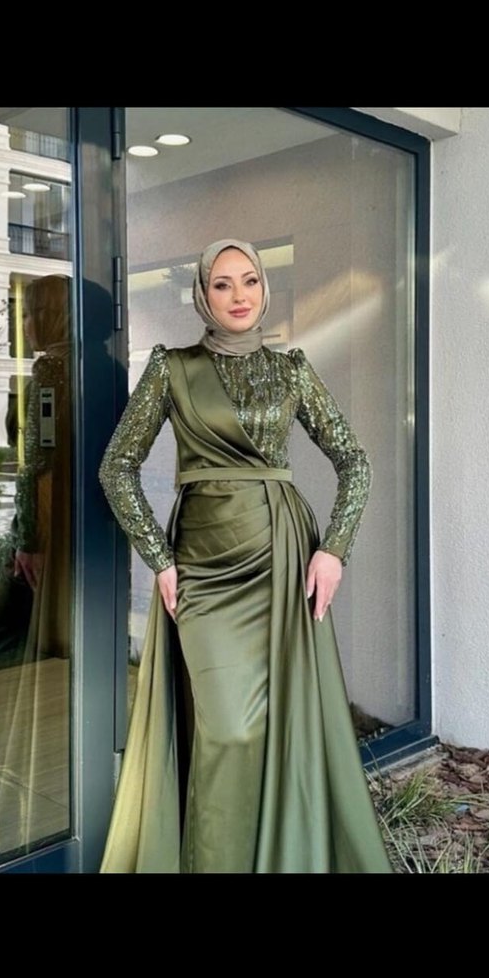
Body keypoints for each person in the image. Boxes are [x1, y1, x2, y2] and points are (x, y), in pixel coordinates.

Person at [98, 239, 393, 874]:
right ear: (203, 294)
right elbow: (116, 467)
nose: (239, 296)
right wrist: (160, 558)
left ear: (264, 288)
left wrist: (334, 550)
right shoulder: (171, 368)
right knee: (228, 728)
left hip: (282, 559)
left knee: (276, 725)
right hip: (203, 566)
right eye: (223, 283)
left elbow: (354, 459)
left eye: (250, 280)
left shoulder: (291, 370)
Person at [0, 274, 71, 673]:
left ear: (50, 315)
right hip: (72, 530)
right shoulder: (91, 368)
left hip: (43, 534)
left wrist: (27, 542)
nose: (23, 325)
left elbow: (37, 465)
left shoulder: (51, 370)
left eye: (28, 314)